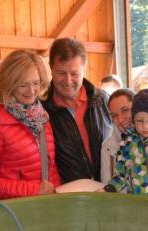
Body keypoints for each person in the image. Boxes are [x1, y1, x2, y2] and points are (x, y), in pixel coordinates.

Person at [0, 49, 61, 199]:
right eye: (23, 84)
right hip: (16, 207)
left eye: (36, 83)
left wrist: (55, 194)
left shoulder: (41, 115)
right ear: (9, 84)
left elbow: (49, 167)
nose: (31, 91)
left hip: (45, 203)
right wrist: (34, 190)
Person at [44, 38, 113, 183]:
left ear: (84, 69)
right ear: (51, 68)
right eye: (61, 73)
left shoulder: (104, 101)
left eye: (74, 73)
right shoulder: (42, 111)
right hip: (67, 193)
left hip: (108, 189)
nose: (68, 81)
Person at [100, 88, 135, 183]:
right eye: (114, 115)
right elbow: (106, 185)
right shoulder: (107, 147)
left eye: (125, 110)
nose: (120, 120)